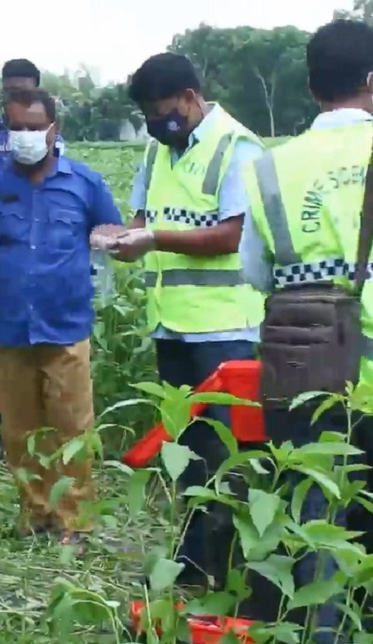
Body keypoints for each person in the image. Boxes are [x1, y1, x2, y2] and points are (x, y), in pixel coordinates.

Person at [239, 19, 373, 644]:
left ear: (310, 86)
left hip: (303, 382)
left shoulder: (269, 170)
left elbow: (255, 273)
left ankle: (316, 642)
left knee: (309, 521)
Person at [105, 52, 266, 589]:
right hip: (172, 326)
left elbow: (231, 235)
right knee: (189, 451)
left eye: (165, 111)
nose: (158, 122)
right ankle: (199, 563)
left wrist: (152, 239)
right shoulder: (159, 150)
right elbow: (143, 219)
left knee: (225, 455)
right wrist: (119, 239)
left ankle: (227, 568)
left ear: (193, 98)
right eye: (150, 114)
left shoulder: (237, 147)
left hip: (226, 331)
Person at [0, 88, 124, 547]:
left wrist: (123, 241)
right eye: (18, 127)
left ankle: (76, 521)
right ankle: (36, 513)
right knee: (18, 429)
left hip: (65, 324)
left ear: (55, 129)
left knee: (73, 428)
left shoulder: (84, 183)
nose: (26, 136)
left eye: (35, 127)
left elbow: (113, 232)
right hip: (9, 326)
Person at [0, 59, 66, 460]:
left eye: (23, 90)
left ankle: (47, 431)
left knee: (46, 341)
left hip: (42, 253)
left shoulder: (48, 129)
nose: (15, 98)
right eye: (9, 91)